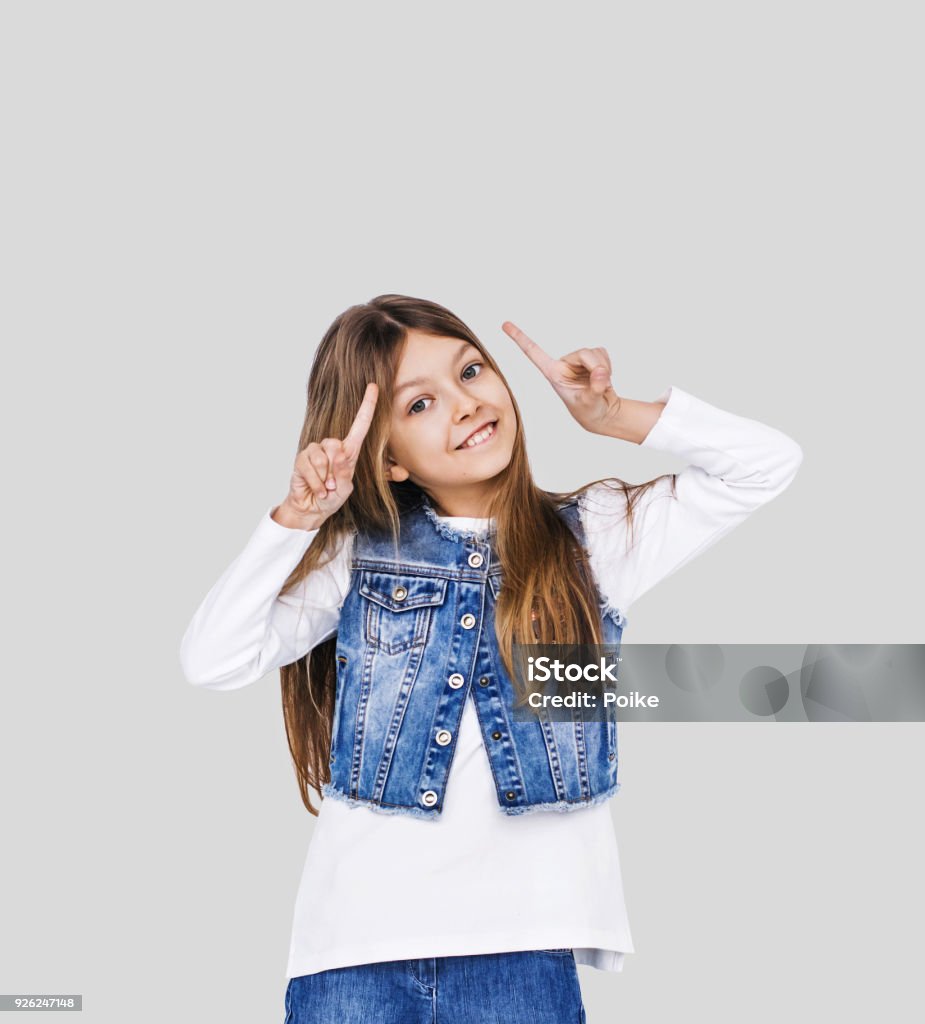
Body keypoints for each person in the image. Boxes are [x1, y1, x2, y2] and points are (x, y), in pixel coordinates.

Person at [179, 294, 803, 1023]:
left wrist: (612, 417)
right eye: (420, 404)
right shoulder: (357, 557)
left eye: (470, 370)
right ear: (387, 459)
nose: (465, 403)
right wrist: (298, 519)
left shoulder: (595, 537)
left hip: (526, 952)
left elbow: (766, 464)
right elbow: (212, 660)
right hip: (352, 953)